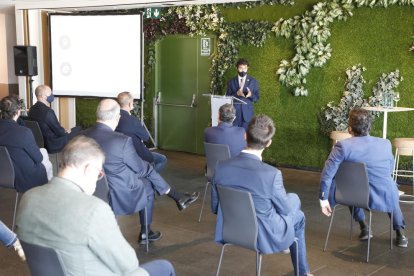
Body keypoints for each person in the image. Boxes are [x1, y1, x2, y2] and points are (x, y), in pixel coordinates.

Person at [16, 135, 176, 276]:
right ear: (88, 169)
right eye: (99, 173)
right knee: (164, 267)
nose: (98, 179)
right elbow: (128, 265)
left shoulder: (28, 198)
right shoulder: (93, 209)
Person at [82, 99, 199, 244]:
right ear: (117, 117)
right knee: (147, 183)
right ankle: (146, 231)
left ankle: (177, 196)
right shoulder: (121, 141)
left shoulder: (82, 136)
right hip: (118, 194)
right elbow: (141, 169)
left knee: (143, 175)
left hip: (91, 190)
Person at [211, 115, 312, 276]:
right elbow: (285, 210)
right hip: (263, 235)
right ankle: (302, 272)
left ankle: (291, 248)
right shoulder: (271, 175)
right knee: (297, 213)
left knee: (291, 199)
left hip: (231, 229)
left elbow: (215, 207)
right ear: (269, 143)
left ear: (245, 135)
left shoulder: (221, 167)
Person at [319, 108, 408, 247]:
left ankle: (364, 227)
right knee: (390, 186)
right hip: (382, 194)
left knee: (349, 184)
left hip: (354, 196)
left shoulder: (342, 146)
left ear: (349, 129)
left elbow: (327, 173)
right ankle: (400, 234)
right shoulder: (385, 144)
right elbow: (389, 169)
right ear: (370, 127)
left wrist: (323, 198)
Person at [0, 96, 52, 192]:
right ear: (17, 111)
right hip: (25, 177)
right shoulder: (23, 132)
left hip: (3, 174)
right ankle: (47, 190)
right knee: (44, 155)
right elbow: (38, 159)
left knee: (43, 151)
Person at [116, 92, 167, 172]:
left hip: (119, 154)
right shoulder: (132, 120)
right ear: (129, 104)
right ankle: (149, 177)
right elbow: (146, 137)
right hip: (136, 154)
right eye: (133, 101)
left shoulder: (113, 117)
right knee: (162, 159)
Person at [28, 85, 76, 153]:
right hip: (52, 144)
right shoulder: (48, 112)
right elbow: (60, 132)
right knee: (78, 131)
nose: (52, 95)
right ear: (43, 96)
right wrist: (66, 131)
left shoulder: (31, 109)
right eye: (50, 93)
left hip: (39, 143)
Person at [226, 58, 259, 130]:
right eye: (241, 68)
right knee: (234, 137)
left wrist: (251, 95)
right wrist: (236, 94)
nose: (243, 70)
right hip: (234, 114)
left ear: (247, 68)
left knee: (246, 137)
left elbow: (257, 98)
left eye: (245, 68)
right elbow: (227, 98)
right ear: (237, 68)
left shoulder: (253, 81)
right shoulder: (231, 82)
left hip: (247, 114)